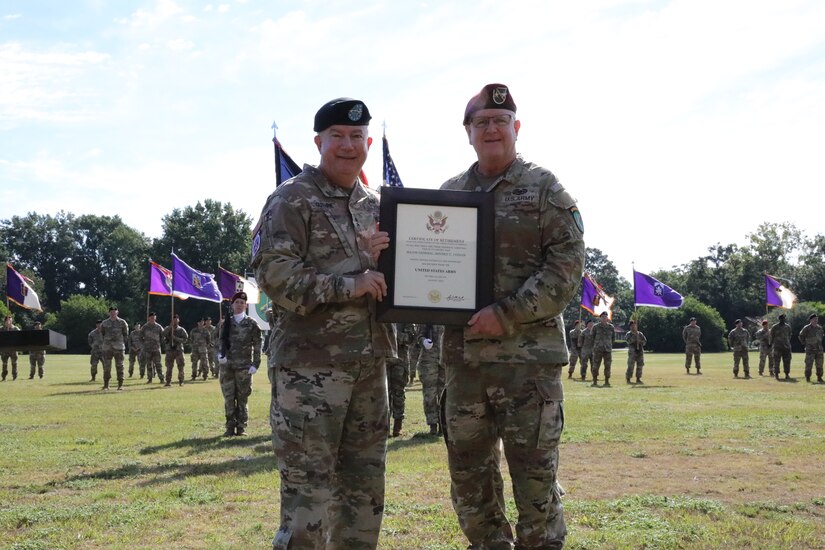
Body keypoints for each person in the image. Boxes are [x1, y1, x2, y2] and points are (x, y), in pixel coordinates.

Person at [439, 83, 585, 549]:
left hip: (529, 367)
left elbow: (566, 267)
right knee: (469, 482)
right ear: (468, 132)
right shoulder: (448, 195)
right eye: (481, 122)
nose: (491, 129)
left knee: (536, 484)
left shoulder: (544, 189)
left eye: (500, 121)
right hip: (465, 366)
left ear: (516, 127)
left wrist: (507, 314)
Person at [251, 96, 396, 549]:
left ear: (368, 142)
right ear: (319, 142)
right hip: (309, 374)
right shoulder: (292, 199)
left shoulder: (378, 205)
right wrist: (348, 284)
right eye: (338, 136)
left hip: (370, 368)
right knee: (307, 501)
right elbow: (274, 274)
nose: (348, 145)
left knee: (364, 495)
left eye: (357, 137)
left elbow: (396, 283)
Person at [217, 292, 262, 436]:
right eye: (237, 302)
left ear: (246, 305)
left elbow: (258, 344)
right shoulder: (225, 323)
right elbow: (217, 342)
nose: (239, 305)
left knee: (242, 398)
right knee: (229, 398)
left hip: (244, 367)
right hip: (227, 367)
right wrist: (219, 355)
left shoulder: (252, 324)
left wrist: (256, 364)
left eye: (242, 303)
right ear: (232, 305)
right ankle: (229, 427)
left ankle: (241, 427)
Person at [388, 322, 417, 437]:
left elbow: (411, 338)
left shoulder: (403, 317)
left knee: (398, 394)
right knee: (382, 395)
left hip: (400, 361)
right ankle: (383, 427)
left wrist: (394, 334)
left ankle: (397, 426)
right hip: (383, 360)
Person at [416, 323, 445, 435]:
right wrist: (423, 341)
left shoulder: (450, 313)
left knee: (444, 393)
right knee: (430, 393)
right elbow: (419, 335)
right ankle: (433, 425)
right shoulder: (428, 315)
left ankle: (443, 426)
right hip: (429, 359)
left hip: (445, 358)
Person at [100, 306, 129, 391]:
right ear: (109, 313)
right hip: (107, 347)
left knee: (120, 366)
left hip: (119, 347)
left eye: (114, 312)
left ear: (117, 313)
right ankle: (106, 385)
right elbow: (102, 333)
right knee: (106, 366)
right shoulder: (104, 323)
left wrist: (122, 343)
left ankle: (120, 385)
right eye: (111, 312)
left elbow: (125, 334)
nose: (113, 314)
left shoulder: (122, 322)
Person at [162, 313, 188, 387]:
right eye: (173, 319)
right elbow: (163, 335)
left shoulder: (181, 330)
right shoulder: (168, 328)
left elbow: (185, 339)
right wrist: (170, 328)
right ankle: (168, 381)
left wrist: (175, 338)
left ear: (178, 320)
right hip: (170, 350)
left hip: (178, 350)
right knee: (169, 367)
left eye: (176, 319)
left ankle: (181, 381)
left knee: (181, 366)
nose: (175, 321)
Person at [590, 311, 615, 387]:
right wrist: (596, 345)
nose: (604, 318)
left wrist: (609, 344)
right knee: (595, 365)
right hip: (598, 349)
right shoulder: (595, 327)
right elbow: (592, 337)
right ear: (600, 318)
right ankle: (595, 381)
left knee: (608, 365)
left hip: (607, 349)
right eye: (603, 317)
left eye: (605, 317)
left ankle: (607, 381)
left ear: (607, 318)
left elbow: (613, 338)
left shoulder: (611, 327)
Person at [798, 313, 824, 383]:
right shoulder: (806, 328)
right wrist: (805, 344)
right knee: (809, 364)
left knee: (820, 364)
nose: (816, 320)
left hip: (819, 350)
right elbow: (801, 336)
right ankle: (808, 377)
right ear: (811, 320)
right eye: (814, 319)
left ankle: (819, 377)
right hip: (810, 350)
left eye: (817, 319)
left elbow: (821, 337)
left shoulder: (820, 328)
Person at [140, 312, 164, 383]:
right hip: (147, 349)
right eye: (151, 317)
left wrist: (159, 343)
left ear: (155, 318)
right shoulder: (145, 327)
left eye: (154, 317)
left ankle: (161, 378)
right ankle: (149, 379)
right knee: (149, 365)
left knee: (158, 364)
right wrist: (144, 344)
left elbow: (163, 336)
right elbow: (140, 336)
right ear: (149, 318)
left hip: (156, 349)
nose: (152, 318)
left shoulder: (159, 327)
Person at [770, 314, 792, 380]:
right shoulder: (775, 327)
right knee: (776, 361)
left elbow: (789, 335)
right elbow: (772, 336)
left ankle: (787, 374)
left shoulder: (788, 327)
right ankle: (776, 374)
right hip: (777, 347)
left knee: (787, 361)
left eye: (784, 318)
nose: (783, 319)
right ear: (779, 319)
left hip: (786, 347)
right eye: (781, 318)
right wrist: (771, 344)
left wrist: (786, 342)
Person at [625, 320, 646, 384]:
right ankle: (628, 378)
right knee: (630, 365)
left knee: (640, 365)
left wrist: (640, 341)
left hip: (639, 351)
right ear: (630, 327)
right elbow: (628, 341)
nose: (634, 327)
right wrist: (634, 337)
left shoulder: (640, 334)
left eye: (635, 325)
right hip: (632, 352)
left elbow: (644, 341)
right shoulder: (628, 334)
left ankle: (638, 378)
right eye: (632, 326)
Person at [1, 315, 20, 381]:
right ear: (5, 321)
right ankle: (4, 377)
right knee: (4, 364)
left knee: (14, 364)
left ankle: (14, 376)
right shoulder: (1, 329)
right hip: (4, 350)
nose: (9, 321)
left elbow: (21, 336)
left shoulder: (15, 328)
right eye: (8, 320)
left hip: (13, 350)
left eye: (10, 320)